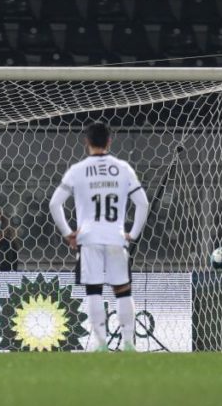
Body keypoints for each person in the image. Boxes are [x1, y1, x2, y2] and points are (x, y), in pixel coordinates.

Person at [49, 122, 150, 352]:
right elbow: (143, 203)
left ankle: (102, 344)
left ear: (87, 142)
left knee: (94, 290)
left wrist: (68, 233)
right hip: (116, 237)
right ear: (109, 142)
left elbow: (55, 203)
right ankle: (128, 343)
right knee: (123, 290)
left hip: (89, 238)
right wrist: (132, 234)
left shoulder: (78, 170)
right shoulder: (123, 168)